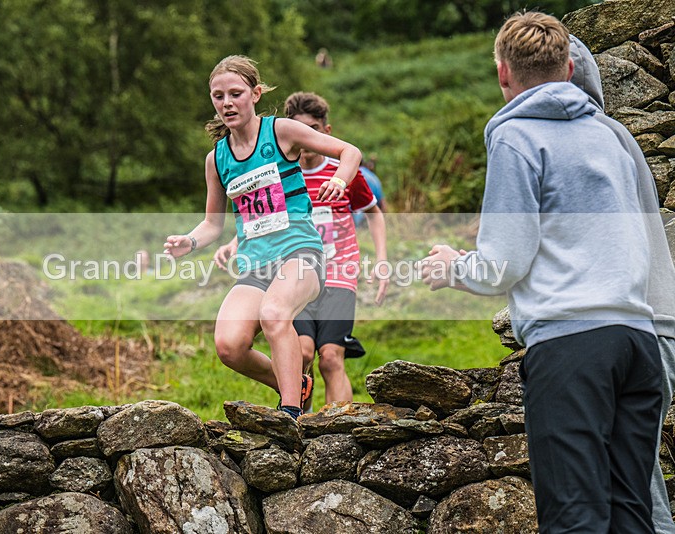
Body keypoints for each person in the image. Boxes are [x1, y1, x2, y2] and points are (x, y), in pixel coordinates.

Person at [420, 12, 661, 532]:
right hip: (637, 344)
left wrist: (453, 267)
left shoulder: (517, 138)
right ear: (570, 65)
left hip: (572, 348)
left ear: (503, 73)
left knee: (575, 517)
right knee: (631, 518)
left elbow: (503, 263)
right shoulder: (613, 137)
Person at [164, 55, 362, 420]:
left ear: (255, 94)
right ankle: (292, 384)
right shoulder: (217, 159)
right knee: (229, 345)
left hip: (300, 254)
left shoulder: (281, 131)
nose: (227, 103)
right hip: (257, 264)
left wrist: (339, 179)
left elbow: (349, 151)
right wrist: (189, 242)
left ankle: (289, 416)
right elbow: (212, 224)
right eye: (218, 96)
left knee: (274, 313)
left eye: (235, 93)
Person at [215, 91, 389, 407]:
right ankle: (301, 416)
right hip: (291, 271)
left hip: (337, 273)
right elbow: (263, 219)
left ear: (324, 132)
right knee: (304, 351)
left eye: (312, 129)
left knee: (331, 357)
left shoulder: (344, 172)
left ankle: (337, 431)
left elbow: (374, 213)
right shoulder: (281, 173)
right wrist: (233, 242)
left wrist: (381, 260)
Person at [570, 34, 675, 534]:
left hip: (636, 329)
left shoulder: (590, 141)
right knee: (630, 482)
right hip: (653, 325)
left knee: (629, 488)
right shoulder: (614, 136)